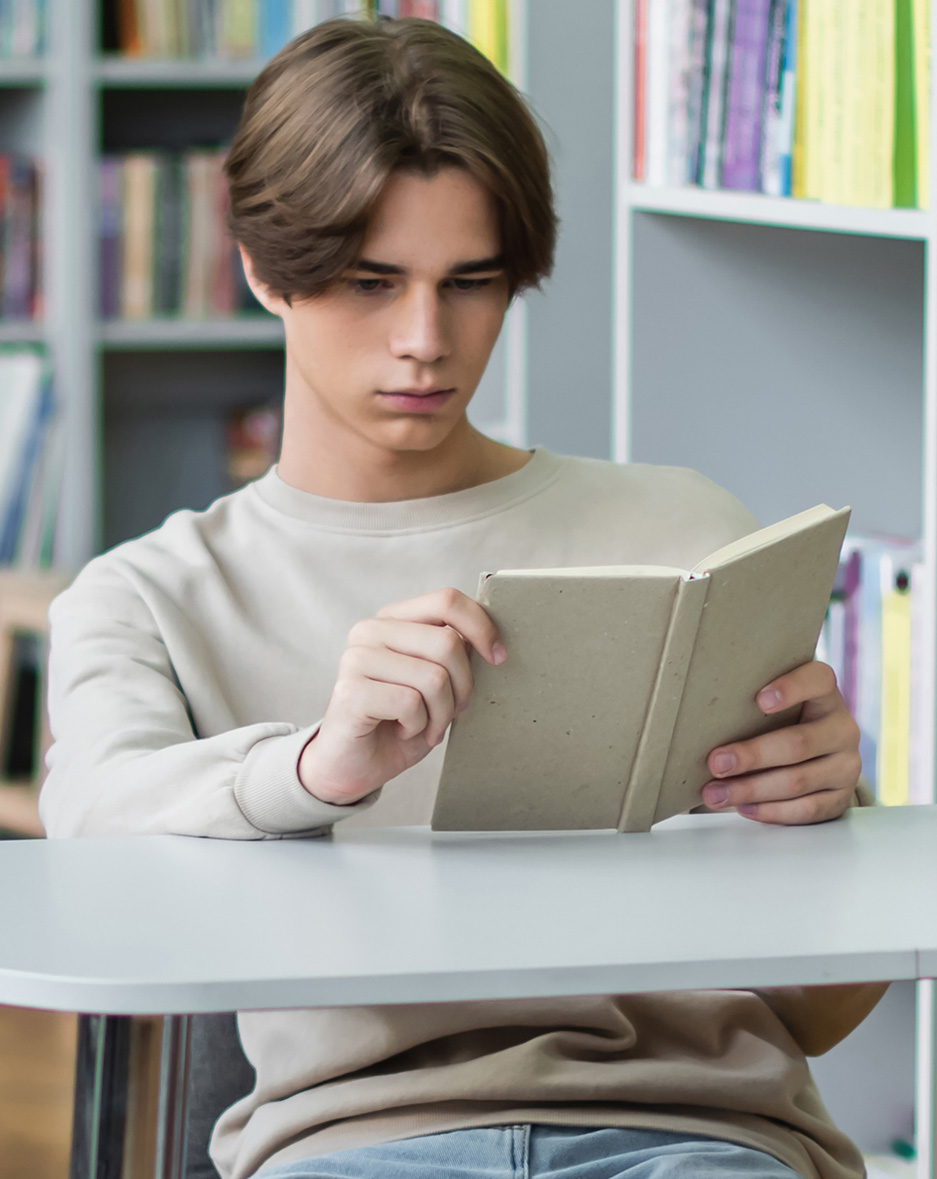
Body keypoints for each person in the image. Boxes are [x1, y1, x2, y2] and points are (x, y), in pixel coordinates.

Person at [40, 16, 882, 1179]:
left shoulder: (686, 533)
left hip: (696, 1140)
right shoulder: (146, 597)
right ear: (259, 265)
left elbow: (819, 1010)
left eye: (470, 284)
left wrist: (832, 817)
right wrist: (314, 769)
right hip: (353, 1146)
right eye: (370, 283)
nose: (424, 342)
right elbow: (89, 836)